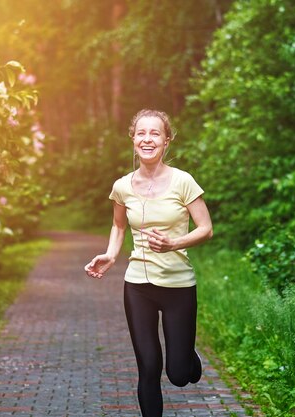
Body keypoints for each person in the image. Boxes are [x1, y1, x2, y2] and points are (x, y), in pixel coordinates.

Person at [84, 109, 213, 417]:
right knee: (148, 367)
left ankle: (188, 360)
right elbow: (119, 226)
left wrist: (174, 243)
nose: (147, 139)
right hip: (138, 286)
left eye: (155, 133)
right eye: (141, 133)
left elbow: (206, 228)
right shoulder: (122, 187)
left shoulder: (183, 182)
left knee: (179, 375)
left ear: (166, 141)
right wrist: (111, 254)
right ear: (133, 140)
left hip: (179, 286)